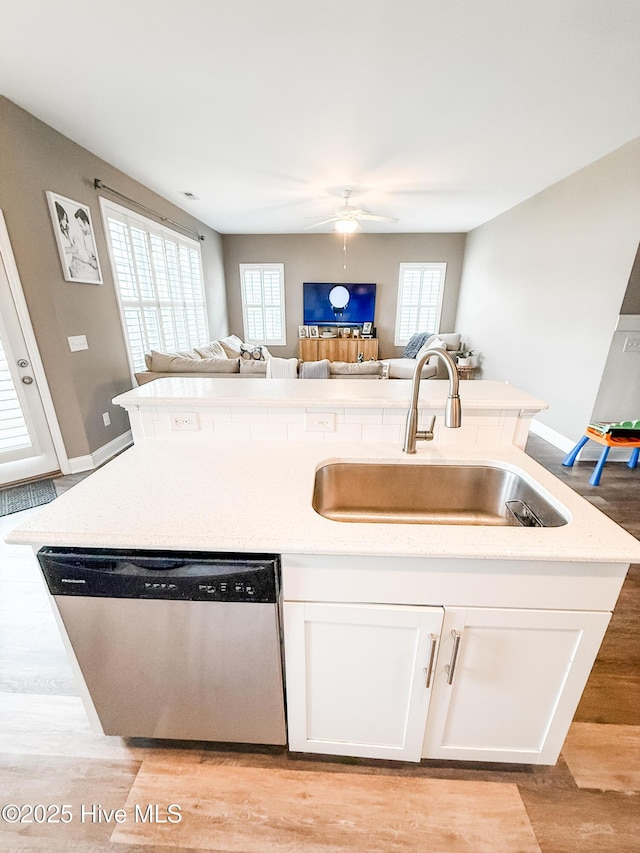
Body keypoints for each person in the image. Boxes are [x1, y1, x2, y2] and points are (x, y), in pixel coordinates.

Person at [69, 208, 99, 280]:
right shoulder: (82, 236)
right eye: (80, 226)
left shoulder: (95, 236)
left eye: (82, 226)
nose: (82, 229)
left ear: (87, 222)